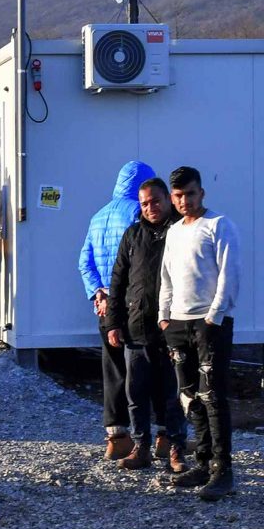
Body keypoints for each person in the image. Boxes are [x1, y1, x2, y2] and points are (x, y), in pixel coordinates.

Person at [159, 166, 240, 501]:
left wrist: (214, 316)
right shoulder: (175, 231)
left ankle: (224, 472)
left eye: (189, 194)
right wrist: (164, 318)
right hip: (178, 324)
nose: (184, 201)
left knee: (214, 397)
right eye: (177, 195)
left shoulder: (218, 225)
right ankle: (203, 463)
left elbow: (229, 272)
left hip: (209, 325)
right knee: (190, 397)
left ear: (201, 193)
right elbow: (166, 277)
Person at [104, 177, 187, 473]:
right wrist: (114, 322)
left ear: (167, 199)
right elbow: (118, 282)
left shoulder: (181, 232)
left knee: (174, 394)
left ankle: (177, 448)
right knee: (135, 393)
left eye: (155, 201)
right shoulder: (133, 234)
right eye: (145, 203)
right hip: (136, 328)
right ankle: (141, 448)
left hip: (173, 327)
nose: (150, 207)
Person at [78, 160, 156, 461]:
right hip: (132, 304)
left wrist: (97, 293)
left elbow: (84, 261)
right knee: (139, 370)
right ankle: (151, 437)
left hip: (104, 305)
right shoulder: (138, 212)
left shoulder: (98, 216)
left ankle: (115, 436)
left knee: (111, 370)